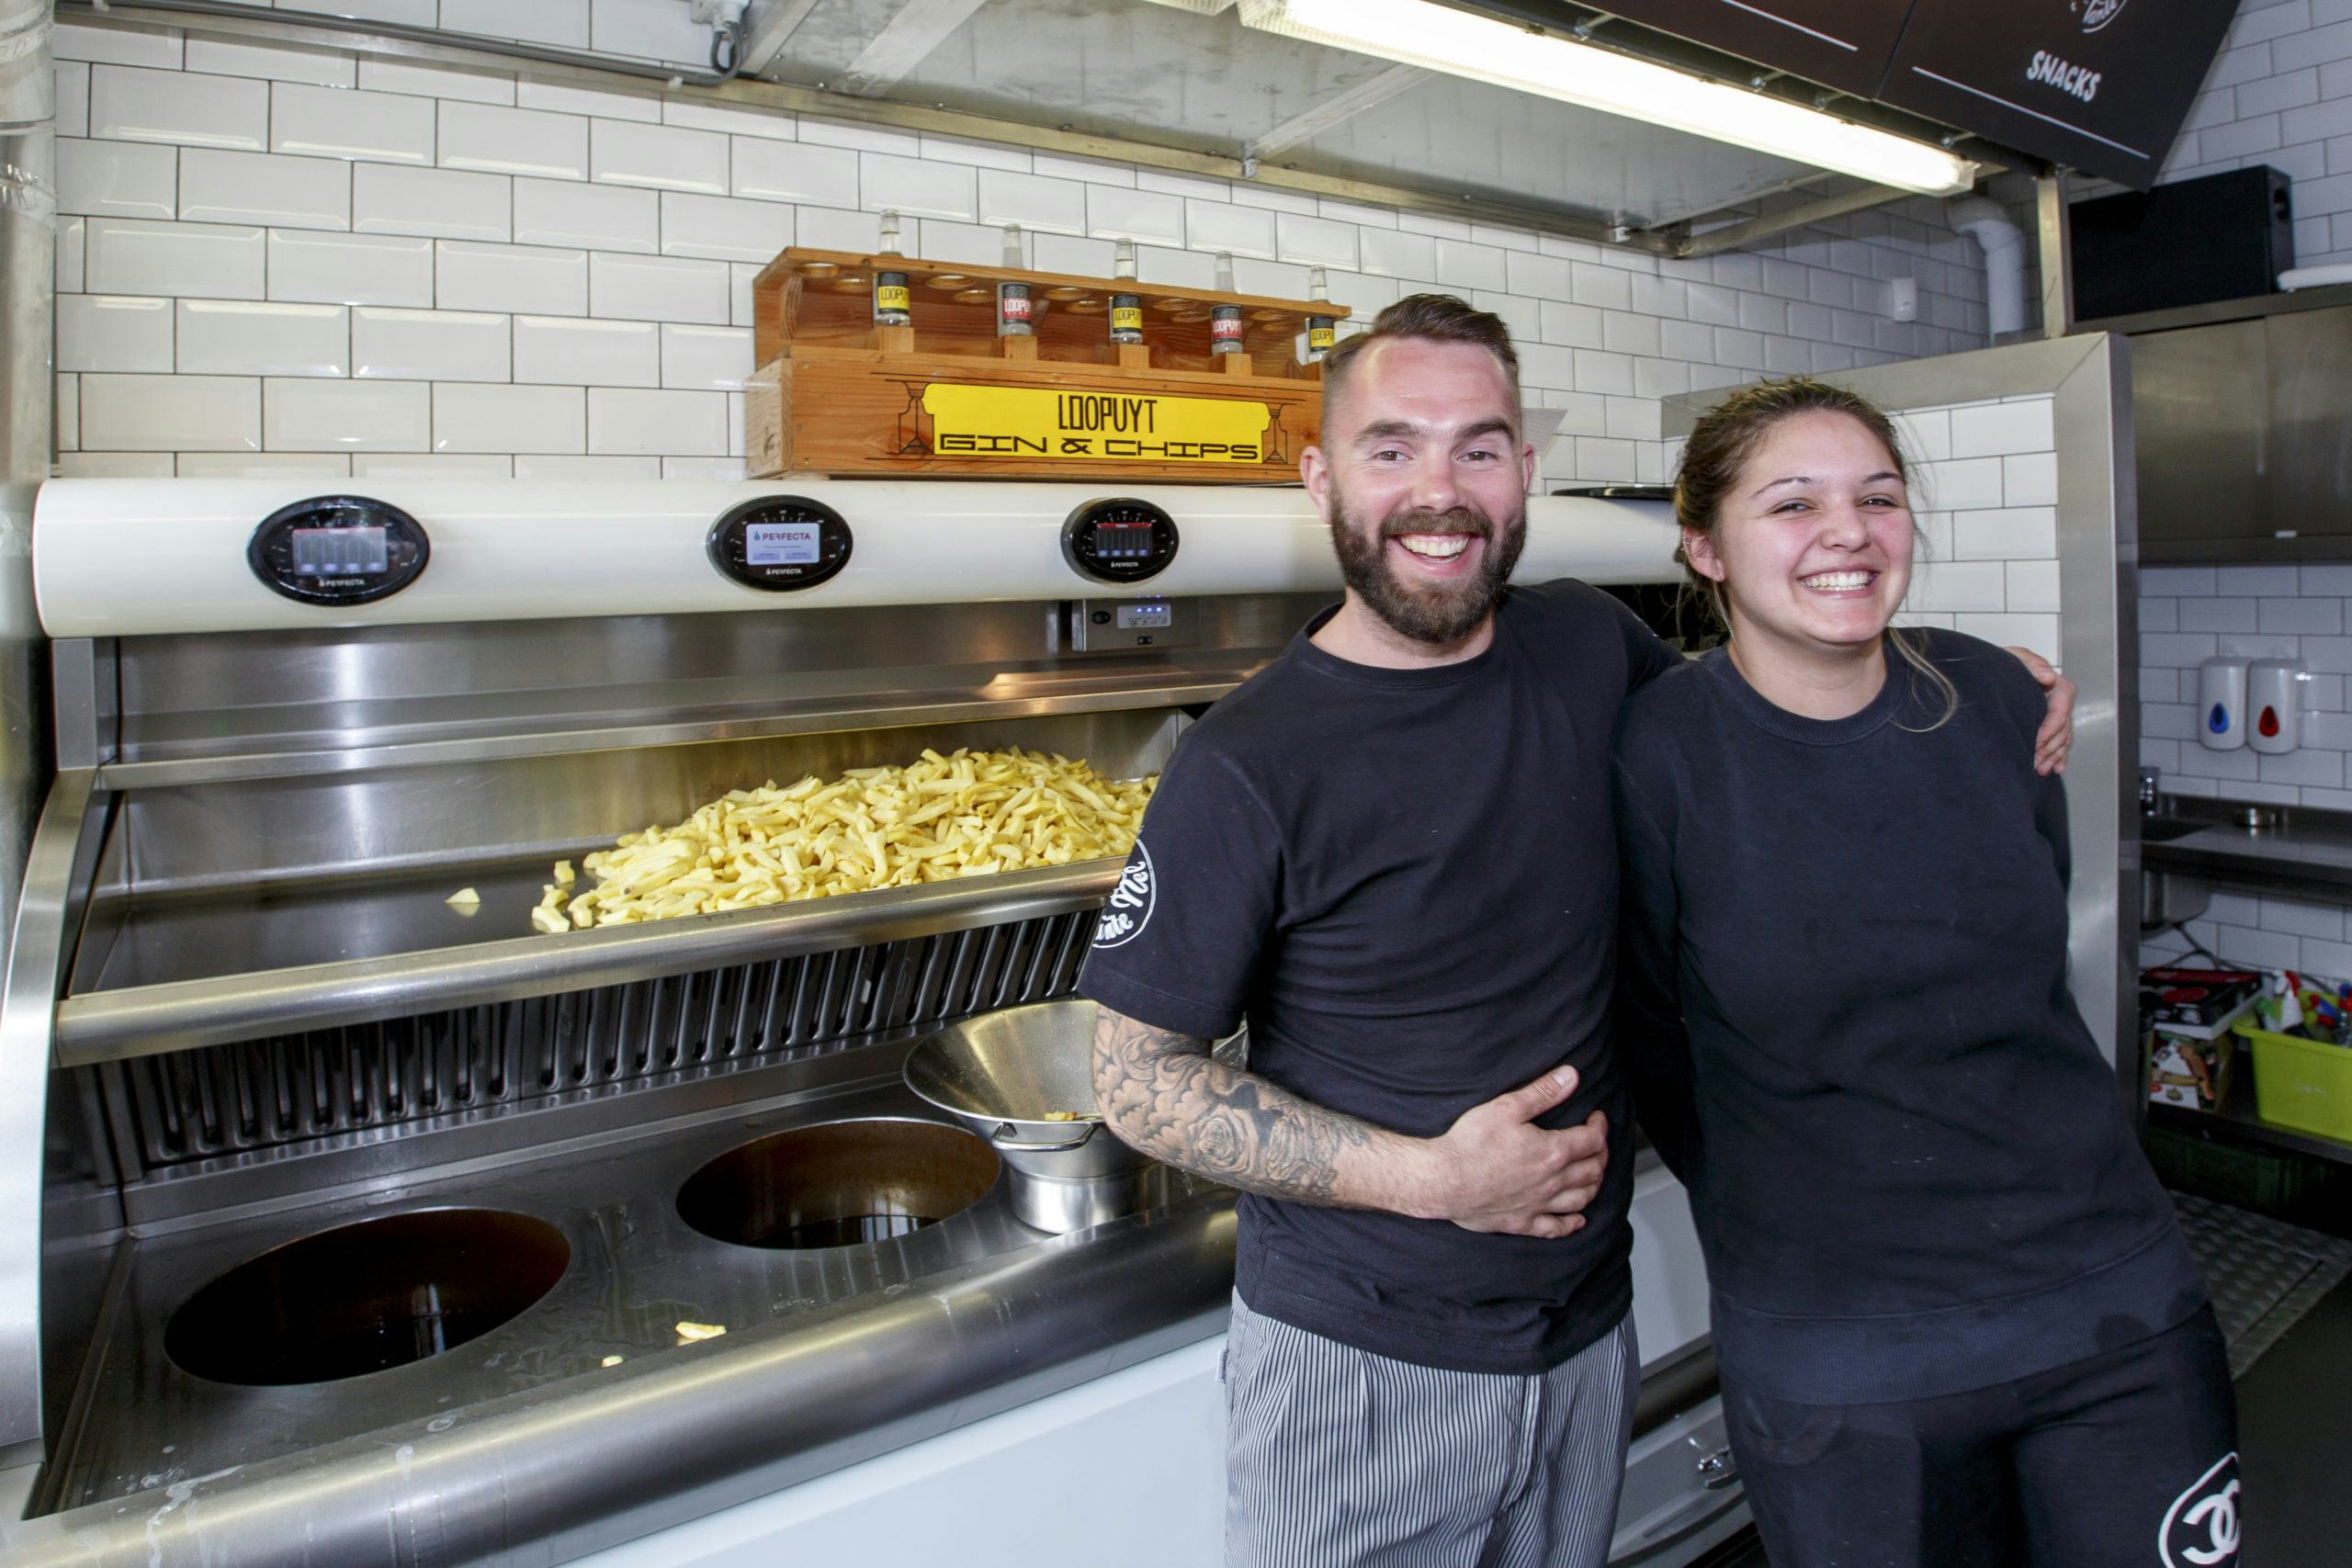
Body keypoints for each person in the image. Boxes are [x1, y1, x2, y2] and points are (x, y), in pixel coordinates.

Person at [1079, 296, 2075, 1568]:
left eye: (1479, 447)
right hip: (1369, 1354)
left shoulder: (1587, 644)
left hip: (1585, 1329)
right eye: (1393, 449)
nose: (1439, 492)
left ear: (1525, 472)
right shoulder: (1248, 763)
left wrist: (1979, 677)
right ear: (1322, 476)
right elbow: (1137, 1080)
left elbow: (1773, 712)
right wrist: (1430, 1179)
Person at [1611, 377, 2237, 1568]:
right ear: (1706, 548)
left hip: (2108, 1309)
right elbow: (1653, 1030)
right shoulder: (1659, 755)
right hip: (1845, 1353)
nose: (1848, 530)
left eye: (1879, 497)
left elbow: (2023, 957)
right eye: (1793, 504)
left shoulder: (1995, 698)